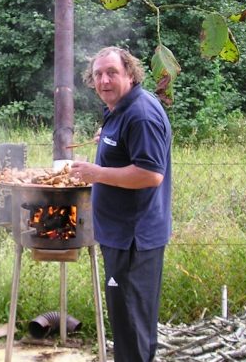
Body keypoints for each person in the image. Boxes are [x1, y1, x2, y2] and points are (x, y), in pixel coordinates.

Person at [71, 46, 172, 361]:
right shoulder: (119, 109)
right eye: (98, 74)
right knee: (133, 327)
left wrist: (95, 173)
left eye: (112, 72)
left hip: (133, 240)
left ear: (130, 74)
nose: (104, 80)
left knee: (131, 326)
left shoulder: (141, 114)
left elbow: (150, 174)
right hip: (120, 235)